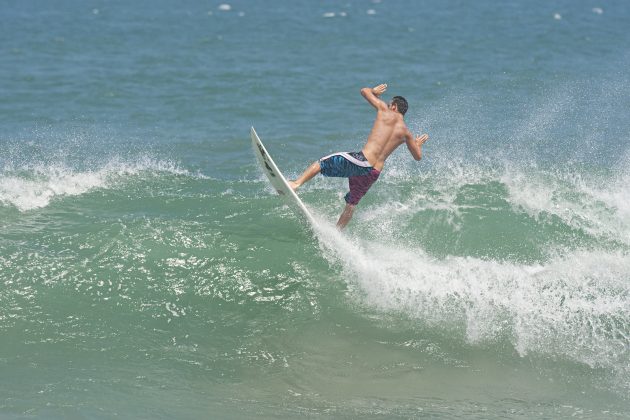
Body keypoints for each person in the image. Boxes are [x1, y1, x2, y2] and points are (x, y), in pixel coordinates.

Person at [289, 83, 429, 229]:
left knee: (322, 162)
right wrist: (417, 145)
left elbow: (364, 91)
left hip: (362, 161)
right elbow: (418, 157)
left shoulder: (384, 111)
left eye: (389, 104)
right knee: (351, 203)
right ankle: (337, 233)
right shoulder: (407, 134)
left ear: (394, 107)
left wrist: (374, 91)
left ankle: (296, 184)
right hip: (373, 172)